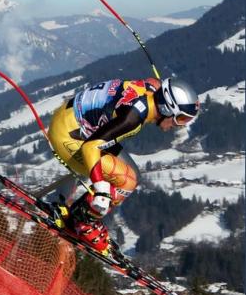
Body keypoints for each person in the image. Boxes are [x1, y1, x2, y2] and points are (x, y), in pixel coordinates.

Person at [48, 77, 200, 254]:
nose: (178, 125)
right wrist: (100, 188)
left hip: (73, 121)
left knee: (134, 175)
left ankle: (78, 215)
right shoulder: (132, 118)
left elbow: (155, 82)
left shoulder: (150, 89)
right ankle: (81, 222)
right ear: (167, 108)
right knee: (126, 181)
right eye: (180, 118)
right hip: (70, 138)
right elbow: (91, 147)